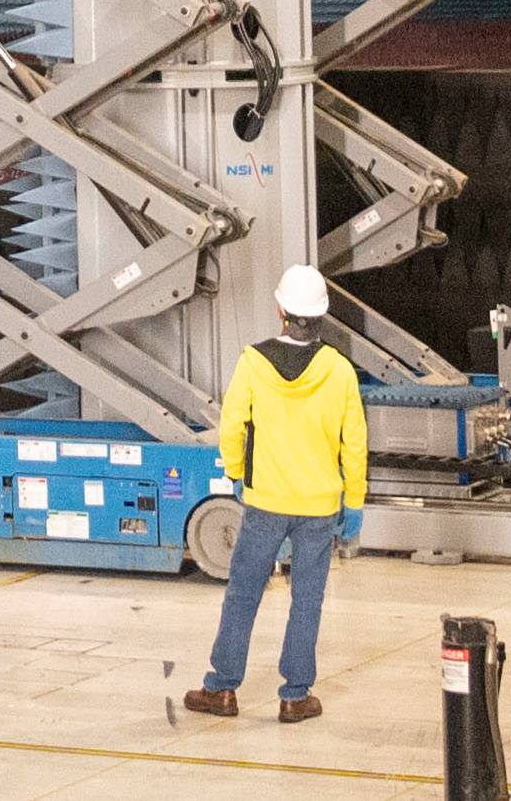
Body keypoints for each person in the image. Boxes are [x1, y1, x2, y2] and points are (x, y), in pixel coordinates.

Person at [187, 263, 367, 724]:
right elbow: (355, 443)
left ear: (281, 310)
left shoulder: (253, 361)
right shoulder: (340, 370)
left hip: (265, 500)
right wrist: (355, 501)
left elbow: (232, 424)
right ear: (322, 315)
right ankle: (294, 696)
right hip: (319, 506)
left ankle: (222, 689)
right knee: (307, 600)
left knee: (243, 594)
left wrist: (235, 472)